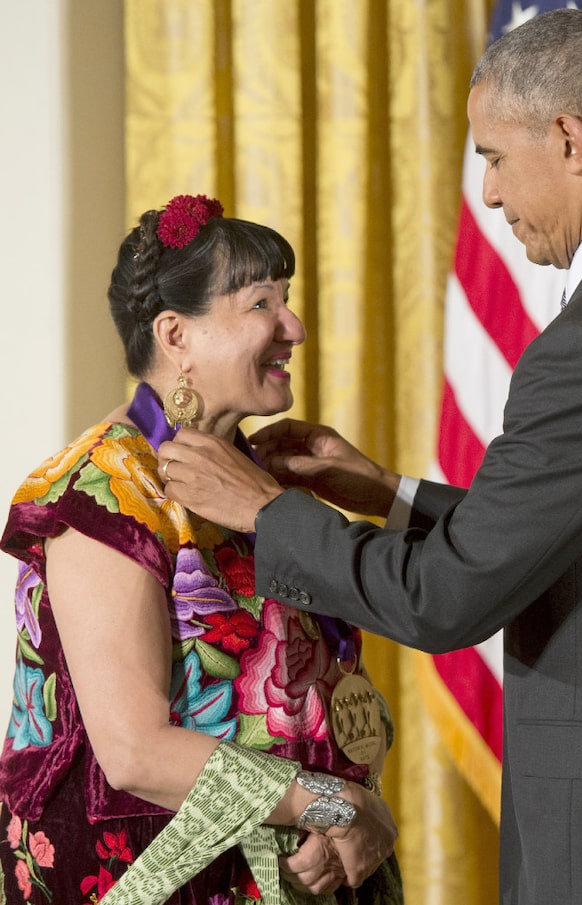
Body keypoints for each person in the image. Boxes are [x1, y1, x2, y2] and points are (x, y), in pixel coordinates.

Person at [158, 11, 582, 905]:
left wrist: (265, 510)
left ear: (568, 139)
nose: (491, 195)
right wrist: (389, 492)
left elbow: (448, 597)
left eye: (495, 158)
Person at [0, 194, 402, 905]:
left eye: (289, 299)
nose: (294, 327)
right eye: (261, 304)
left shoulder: (259, 478)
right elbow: (134, 750)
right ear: (175, 334)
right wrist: (338, 807)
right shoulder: (104, 489)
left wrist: (339, 829)